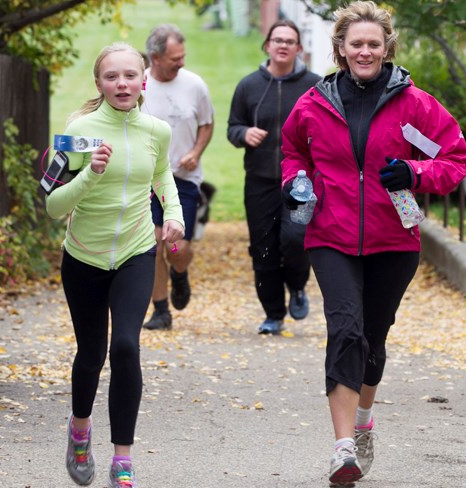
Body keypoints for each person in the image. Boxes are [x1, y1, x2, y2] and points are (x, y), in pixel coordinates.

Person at [280, 1, 466, 484]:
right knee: (345, 329)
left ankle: (364, 422)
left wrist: (415, 171)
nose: (365, 51)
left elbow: (454, 159)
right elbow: (292, 152)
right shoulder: (314, 103)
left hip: (393, 238)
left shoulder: (415, 105)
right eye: (356, 43)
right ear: (340, 49)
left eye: (374, 43)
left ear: (387, 47)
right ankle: (343, 446)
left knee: (373, 340)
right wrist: (296, 182)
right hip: (331, 233)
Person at [45, 43, 184, 487]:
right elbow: (53, 205)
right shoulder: (78, 132)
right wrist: (91, 174)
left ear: (144, 80)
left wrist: (175, 214)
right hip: (84, 255)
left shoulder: (156, 130)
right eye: (112, 77)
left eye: (130, 75)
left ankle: (122, 458)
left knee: (126, 346)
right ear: (99, 83)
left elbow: (163, 174)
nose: (122, 84)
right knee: (91, 354)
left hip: (136, 251)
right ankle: (80, 430)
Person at [227, 20, 321, 335]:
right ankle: (273, 314)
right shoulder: (248, 86)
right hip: (260, 179)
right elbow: (232, 127)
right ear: (267, 45)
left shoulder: (315, 85)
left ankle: (296, 285)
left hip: (301, 181)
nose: (282, 45)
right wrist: (244, 133)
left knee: (295, 239)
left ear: (298, 48)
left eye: (289, 41)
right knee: (263, 247)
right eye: (277, 40)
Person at [141, 23, 215, 331]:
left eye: (182, 56)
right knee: (153, 241)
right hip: (146, 177)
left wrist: (196, 151)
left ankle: (180, 273)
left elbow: (207, 124)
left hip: (183, 177)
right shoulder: (139, 85)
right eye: (175, 58)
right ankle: (161, 310)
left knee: (177, 247)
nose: (181, 63)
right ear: (155, 58)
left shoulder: (194, 85)